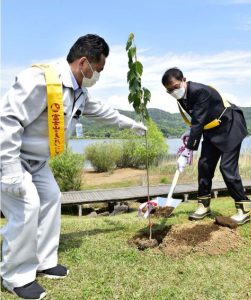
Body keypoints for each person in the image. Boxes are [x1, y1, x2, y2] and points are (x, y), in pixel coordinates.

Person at [0, 34, 147, 299]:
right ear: (83, 63)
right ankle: (16, 276)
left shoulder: (79, 92)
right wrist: (9, 168)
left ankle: (44, 262)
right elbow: (7, 118)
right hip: (11, 158)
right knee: (26, 206)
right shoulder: (41, 80)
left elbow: (103, 111)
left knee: (51, 198)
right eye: (98, 69)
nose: (98, 75)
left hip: (37, 161)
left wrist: (131, 125)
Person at [162, 67, 251, 225]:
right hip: (212, 130)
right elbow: (198, 120)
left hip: (230, 126)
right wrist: (188, 135)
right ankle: (203, 206)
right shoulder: (181, 97)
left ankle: (243, 209)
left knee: (227, 168)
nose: (173, 92)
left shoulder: (199, 91)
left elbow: (198, 121)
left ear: (184, 80)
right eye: (169, 91)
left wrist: (187, 151)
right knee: (204, 165)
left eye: (175, 87)